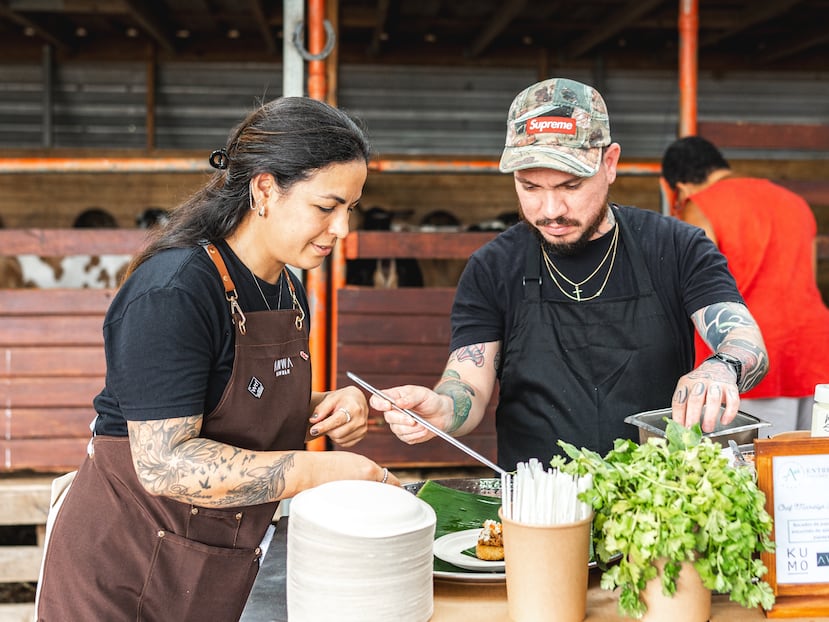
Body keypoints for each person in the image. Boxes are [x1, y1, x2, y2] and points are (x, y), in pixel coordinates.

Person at [36, 97, 399, 621]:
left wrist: (328, 408)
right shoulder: (176, 290)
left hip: (208, 569)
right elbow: (167, 462)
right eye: (327, 207)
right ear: (265, 190)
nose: (343, 229)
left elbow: (233, 405)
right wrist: (325, 470)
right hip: (119, 575)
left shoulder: (286, 290)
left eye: (351, 208)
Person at [369, 78, 769, 471]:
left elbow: (744, 339)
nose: (550, 209)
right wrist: (441, 407)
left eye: (570, 186)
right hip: (541, 505)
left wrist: (722, 367)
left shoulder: (676, 246)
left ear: (609, 164)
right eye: (529, 187)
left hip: (657, 500)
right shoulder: (492, 267)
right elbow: (469, 385)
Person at [661, 135, 829, 436]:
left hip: (755, 358)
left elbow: (693, 284)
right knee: (813, 468)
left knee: (757, 471)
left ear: (680, 187)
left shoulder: (699, 207)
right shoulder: (794, 202)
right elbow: (808, 279)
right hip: (816, 351)